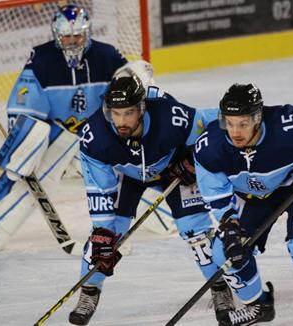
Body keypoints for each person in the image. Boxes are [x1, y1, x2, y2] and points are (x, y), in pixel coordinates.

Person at [68, 69, 234, 325]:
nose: (121, 121)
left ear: (142, 108)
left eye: (129, 113)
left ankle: (220, 287)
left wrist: (193, 158)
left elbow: (217, 124)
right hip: (127, 174)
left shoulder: (171, 117)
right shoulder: (95, 135)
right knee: (103, 239)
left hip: (172, 170)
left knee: (196, 233)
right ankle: (89, 292)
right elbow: (100, 186)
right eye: (116, 113)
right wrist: (103, 228)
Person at [0, 4, 132, 251]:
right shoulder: (42, 59)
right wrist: (24, 144)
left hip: (98, 136)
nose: (72, 42)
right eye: (66, 36)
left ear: (87, 32)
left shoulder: (108, 56)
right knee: (25, 170)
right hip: (59, 136)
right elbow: (25, 107)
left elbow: (132, 92)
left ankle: (161, 218)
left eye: (77, 36)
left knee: (129, 171)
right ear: (55, 34)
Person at [194, 83, 293, 326]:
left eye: (242, 123)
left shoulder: (288, 126)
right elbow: (216, 194)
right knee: (224, 252)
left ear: (257, 118)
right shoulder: (210, 146)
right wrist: (229, 224)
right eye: (229, 123)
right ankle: (258, 306)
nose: (235, 132)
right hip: (253, 196)